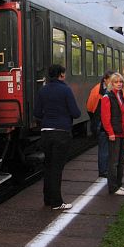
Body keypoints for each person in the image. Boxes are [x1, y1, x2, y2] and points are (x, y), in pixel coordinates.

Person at [34, 64, 81, 210]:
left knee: (48, 166)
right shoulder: (65, 90)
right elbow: (75, 113)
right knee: (57, 168)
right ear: (61, 74)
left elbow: (37, 113)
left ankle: (47, 199)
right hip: (61, 132)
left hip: (46, 132)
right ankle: (56, 202)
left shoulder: (43, 90)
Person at [100, 73, 124, 195]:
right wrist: (110, 132)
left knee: (120, 160)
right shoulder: (107, 97)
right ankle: (113, 187)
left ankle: (118, 184)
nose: (119, 84)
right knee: (113, 162)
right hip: (114, 133)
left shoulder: (121, 96)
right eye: (116, 82)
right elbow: (105, 117)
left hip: (121, 132)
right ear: (111, 84)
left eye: (121, 82)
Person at [86, 70, 114, 177]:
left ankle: (107, 169)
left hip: (107, 122)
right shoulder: (97, 90)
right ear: (105, 79)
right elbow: (90, 107)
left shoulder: (100, 89)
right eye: (111, 81)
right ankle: (104, 171)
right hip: (101, 123)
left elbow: (89, 107)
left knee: (107, 148)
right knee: (104, 148)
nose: (114, 83)